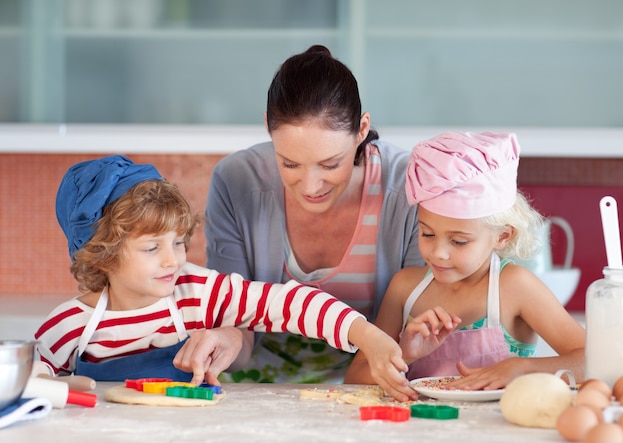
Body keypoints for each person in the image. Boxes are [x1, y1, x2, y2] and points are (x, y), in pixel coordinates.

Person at [35, 155, 415, 401]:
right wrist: (47, 387)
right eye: (152, 249)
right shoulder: (70, 326)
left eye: (179, 242)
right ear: (101, 256)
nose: (173, 260)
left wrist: (368, 336)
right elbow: (25, 384)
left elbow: (290, 303)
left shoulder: (197, 293)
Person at [205, 45, 424, 384]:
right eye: (289, 163)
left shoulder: (407, 187)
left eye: (330, 164)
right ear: (268, 128)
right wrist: (226, 338)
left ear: (362, 129)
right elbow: (233, 312)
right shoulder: (235, 182)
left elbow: (412, 325)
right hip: (256, 389)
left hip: (369, 382)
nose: (310, 185)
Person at [344, 131, 585, 390]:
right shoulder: (405, 289)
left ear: (502, 236)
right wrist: (405, 355)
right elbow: (354, 379)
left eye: (458, 241)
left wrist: (521, 369)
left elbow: (595, 361)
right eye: (427, 233)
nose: (439, 253)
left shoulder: (515, 286)